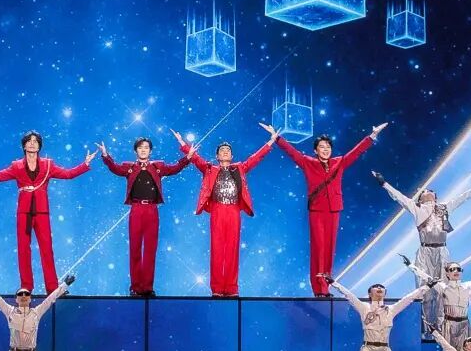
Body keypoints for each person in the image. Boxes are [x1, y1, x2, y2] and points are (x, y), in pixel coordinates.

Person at [260, 122, 388, 296]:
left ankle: (326, 286)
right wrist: (277, 138)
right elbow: (292, 152)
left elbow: (356, 152)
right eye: (322, 147)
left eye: (328, 147)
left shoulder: (339, 162)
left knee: (329, 249)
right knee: (319, 249)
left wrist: (372, 136)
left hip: (334, 209)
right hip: (317, 210)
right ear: (315, 150)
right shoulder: (308, 162)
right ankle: (318, 287)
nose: (326, 149)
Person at [0, 131, 96, 292]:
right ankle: (26, 287)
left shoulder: (48, 165)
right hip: (24, 212)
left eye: (36, 141)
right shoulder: (16, 166)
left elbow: (68, 174)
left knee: (47, 249)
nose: (32, 143)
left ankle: (52, 288)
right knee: (23, 249)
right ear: (24, 145)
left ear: (40, 145)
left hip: (42, 211)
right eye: (29, 141)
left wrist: (85, 164)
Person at [171, 128, 277, 297]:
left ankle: (231, 288)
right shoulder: (210, 169)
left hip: (234, 210)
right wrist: (183, 143)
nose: (225, 151)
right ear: (217, 156)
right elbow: (196, 159)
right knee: (217, 249)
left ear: (232, 156)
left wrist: (271, 141)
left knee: (232, 249)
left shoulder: (240, 168)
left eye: (228, 150)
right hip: (218, 210)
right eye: (222, 150)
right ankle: (217, 289)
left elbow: (256, 158)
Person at [378, 172, 471, 326]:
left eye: (430, 190)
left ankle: (439, 328)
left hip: (441, 251)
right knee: (424, 289)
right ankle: (425, 327)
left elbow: (463, 197)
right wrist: (384, 183)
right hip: (424, 252)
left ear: (436, 197)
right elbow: (399, 197)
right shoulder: (416, 207)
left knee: (442, 289)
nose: (427, 191)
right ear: (420, 198)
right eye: (424, 191)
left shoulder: (444, 208)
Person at [97, 138, 194, 296]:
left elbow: (175, 168)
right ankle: (136, 287)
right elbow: (114, 168)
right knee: (135, 249)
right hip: (136, 209)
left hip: (152, 210)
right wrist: (106, 155)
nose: (143, 150)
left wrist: (188, 157)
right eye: (140, 147)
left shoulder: (157, 166)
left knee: (150, 249)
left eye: (146, 147)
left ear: (150, 151)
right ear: (136, 151)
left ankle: (147, 287)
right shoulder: (130, 167)